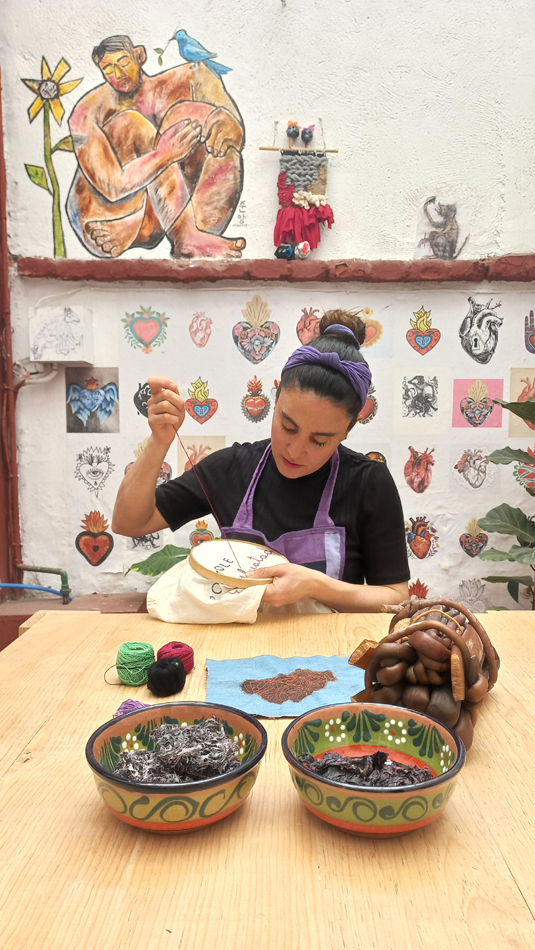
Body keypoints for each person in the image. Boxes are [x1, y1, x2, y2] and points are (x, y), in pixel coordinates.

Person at [112, 311, 410, 612]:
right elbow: (129, 522)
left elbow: (396, 596)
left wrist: (314, 584)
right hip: (235, 652)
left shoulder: (368, 482)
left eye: (319, 440)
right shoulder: (231, 468)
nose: (295, 450)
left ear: (348, 430)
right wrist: (159, 441)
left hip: (328, 655)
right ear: (276, 395)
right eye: (288, 427)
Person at [66, 35, 245, 260]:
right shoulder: (87, 111)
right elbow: (112, 185)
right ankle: (174, 231)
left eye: (123, 63)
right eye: (108, 69)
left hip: (168, 212)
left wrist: (228, 124)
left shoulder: (194, 77)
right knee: (132, 124)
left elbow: (235, 135)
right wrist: (164, 153)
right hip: (102, 214)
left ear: (139, 55)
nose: (118, 75)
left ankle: (192, 236)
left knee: (198, 123)